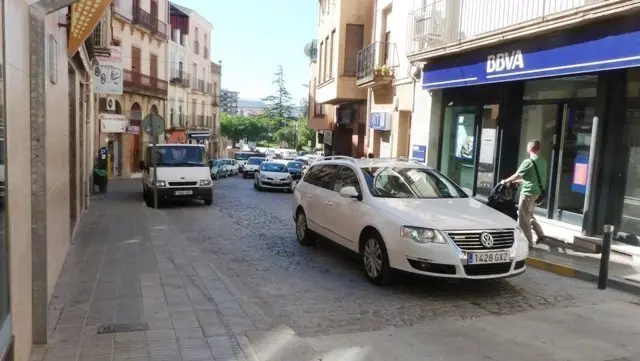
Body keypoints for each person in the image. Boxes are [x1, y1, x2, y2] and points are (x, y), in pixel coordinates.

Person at [501, 139, 547, 247]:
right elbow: (535, 178)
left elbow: (516, 175)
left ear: (530, 148)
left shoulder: (528, 162)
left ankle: (527, 242)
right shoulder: (543, 161)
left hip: (528, 193)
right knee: (528, 214)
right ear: (538, 149)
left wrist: (505, 181)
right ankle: (540, 234)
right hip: (538, 193)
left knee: (523, 218)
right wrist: (521, 181)